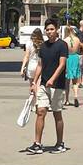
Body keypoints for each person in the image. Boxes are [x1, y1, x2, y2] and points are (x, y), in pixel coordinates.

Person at [25, 20, 69, 154]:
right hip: (44, 84)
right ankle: (37, 144)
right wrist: (34, 82)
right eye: (47, 29)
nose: (49, 32)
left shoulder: (62, 45)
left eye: (51, 29)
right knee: (40, 111)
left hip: (58, 85)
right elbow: (40, 65)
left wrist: (53, 79)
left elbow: (62, 65)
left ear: (56, 30)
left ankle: (60, 143)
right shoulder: (43, 47)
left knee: (57, 114)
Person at [65, 25, 83, 108]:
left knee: (67, 81)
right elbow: (80, 47)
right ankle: (75, 96)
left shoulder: (65, 40)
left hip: (68, 59)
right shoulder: (77, 39)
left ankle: (67, 100)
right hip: (75, 58)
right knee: (75, 81)